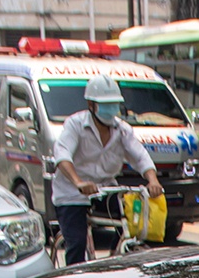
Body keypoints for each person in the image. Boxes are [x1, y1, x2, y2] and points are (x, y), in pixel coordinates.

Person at [50, 75, 162, 266]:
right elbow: (62, 155)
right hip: (72, 193)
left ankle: (113, 262)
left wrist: (153, 180)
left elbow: (140, 156)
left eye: (114, 104)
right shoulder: (75, 125)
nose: (111, 109)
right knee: (77, 243)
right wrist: (78, 182)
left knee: (128, 226)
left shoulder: (123, 130)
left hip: (106, 190)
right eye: (105, 104)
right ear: (91, 105)